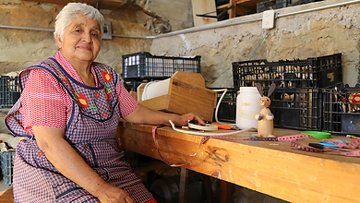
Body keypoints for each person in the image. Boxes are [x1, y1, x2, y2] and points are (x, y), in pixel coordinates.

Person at [5, 3, 204, 203]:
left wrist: (177, 119)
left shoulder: (106, 76)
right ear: (59, 38)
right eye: (77, 30)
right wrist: (101, 190)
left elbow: (134, 112)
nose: (87, 39)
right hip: (54, 171)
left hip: (107, 166)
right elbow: (50, 144)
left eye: (95, 34)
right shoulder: (45, 77)